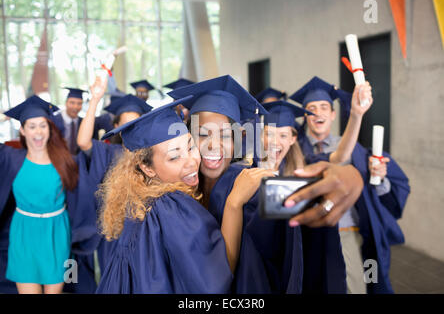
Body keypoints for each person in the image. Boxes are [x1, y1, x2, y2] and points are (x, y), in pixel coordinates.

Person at [168, 75, 365, 294]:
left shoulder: (244, 181)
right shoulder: (176, 191)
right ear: (187, 138)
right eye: (202, 134)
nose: (213, 145)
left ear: (237, 140)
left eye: (225, 135)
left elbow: (293, 200)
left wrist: (346, 177)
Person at [95, 98, 270, 293]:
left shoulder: (140, 201)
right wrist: (234, 203)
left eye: (190, 146)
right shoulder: (170, 206)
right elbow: (215, 279)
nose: (191, 162)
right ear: (147, 168)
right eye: (174, 156)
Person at [289, 76, 411, 294]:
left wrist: (379, 176)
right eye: (311, 109)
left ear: (333, 114)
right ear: (305, 117)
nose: (318, 113)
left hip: (347, 231)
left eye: (324, 107)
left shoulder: (354, 149)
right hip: (308, 234)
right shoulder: (294, 148)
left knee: (354, 286)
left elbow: (372, 187)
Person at [73, 77, 153, 285]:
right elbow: (82, 141)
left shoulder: (151, 158)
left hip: (142, 231)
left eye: (135, 123)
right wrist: (94, 100)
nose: (130, 128)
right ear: (115, 126)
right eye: (124, 123)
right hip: (114, 232)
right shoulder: (108, 152)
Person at [0, 95, 78, 294]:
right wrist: (4, 117)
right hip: (23, 234)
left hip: (57, 234)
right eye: (32, 126)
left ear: (50, 129)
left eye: (43, 125)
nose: (38, 132)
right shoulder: (10, 158)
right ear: (23, 131)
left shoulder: (64, 160)